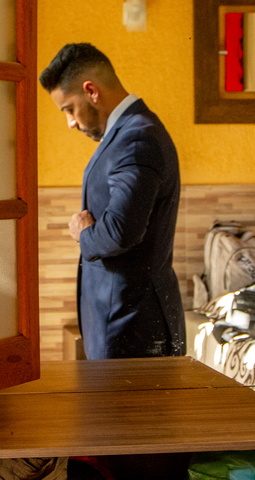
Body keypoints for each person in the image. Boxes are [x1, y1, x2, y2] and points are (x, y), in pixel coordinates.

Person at [40, 43, 186, 360]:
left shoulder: (136, 137)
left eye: (69, 109)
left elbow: (121, 231)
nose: (70, 123)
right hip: (123, 323)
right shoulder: (128, 133)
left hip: (130, 327)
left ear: (91, 91)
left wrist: (83, 234)